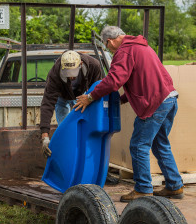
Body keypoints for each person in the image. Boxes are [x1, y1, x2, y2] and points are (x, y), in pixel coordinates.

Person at [74, 25, 184, 202]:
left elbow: (114, 81)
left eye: (107, 46)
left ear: (109, 41)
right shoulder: (141, 45)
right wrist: (123, 99)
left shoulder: (124, 51)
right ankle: (175, 185)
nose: (108, 49)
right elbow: (142, 77)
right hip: (169, 98)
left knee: (139, 145)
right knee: (160, 143)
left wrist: (90, 96)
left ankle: (143, 189)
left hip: (154, 102)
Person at [40, 50, 102, 158]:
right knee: (65, 129)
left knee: (84, 127)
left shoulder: (94, 66)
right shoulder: (55, 73)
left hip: (83, 96)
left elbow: (98, 89)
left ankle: (84, 152)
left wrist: (89, 99)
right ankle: (67, 155)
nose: (71, 78)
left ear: (81, 64)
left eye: (73, 73)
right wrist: (44, 136)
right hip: (62, 97)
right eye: (67, 74)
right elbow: (47, 103)